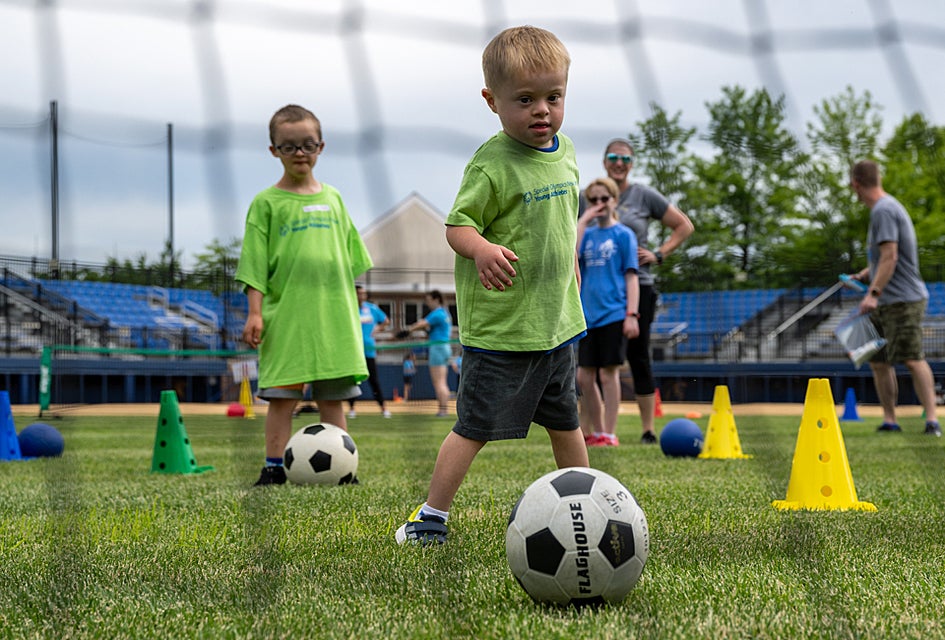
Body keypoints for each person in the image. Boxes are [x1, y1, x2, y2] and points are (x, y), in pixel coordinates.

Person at [395, 25, 589, 545]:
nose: (542, 110)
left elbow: (564, 220)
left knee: (566, 423)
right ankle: (431, 517)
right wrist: (481, 250)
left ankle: (588, 506)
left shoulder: (566, 151)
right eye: (525, 100)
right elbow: (457, 226)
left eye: (554, 96)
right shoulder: (491, 163)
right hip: (503, 331)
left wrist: (569, 260)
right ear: (492, 101)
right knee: (474, 427)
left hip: (557, 326)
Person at [236, 104, 373, 486]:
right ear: (273, 151)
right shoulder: (266, 204)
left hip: (334, 319)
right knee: (282, 398)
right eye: (289, 146)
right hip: (288, 319)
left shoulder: (334, 199)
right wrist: (255, 313)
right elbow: (254, 265)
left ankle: (344, 470)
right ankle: (273, 467)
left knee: (333, 398)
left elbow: (352, 261)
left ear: (321, 147)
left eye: (307, 145)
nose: (299, 153)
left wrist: (353, 307)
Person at [600, 137, 694, 443]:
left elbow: (684, 225)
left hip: (639, 286)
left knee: (638, 356)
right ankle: (600, 430)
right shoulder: (593, 196)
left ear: (632, 164)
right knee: (597, 359)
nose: (619, 163)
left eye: (626, 159)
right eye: (614, 157)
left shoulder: (643, 195)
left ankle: (647, 430)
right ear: (604, 161)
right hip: (600, 290)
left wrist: (659, 254)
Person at [847, 160, 939, 436]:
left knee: (912, 358)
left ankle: (932, 420)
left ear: (856, 185)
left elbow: (891, 256)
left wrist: (872, 294)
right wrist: (863, 275)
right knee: (877, 361)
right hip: (885, 299)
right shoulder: (886, 208)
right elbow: (882, 260)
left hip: (902, 300)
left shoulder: (883, 211)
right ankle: (890, 420)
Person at [576, 177, 640, 447]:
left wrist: (631, 314)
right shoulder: (587, 233)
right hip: (587, 315)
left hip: (614, 313)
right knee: (584, 376)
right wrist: (582, 220)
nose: (600, 204)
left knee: (608, 374)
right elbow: (572, 254)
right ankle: (598, 430)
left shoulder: (624, 234)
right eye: (594, 200)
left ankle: (610, 433)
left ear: (615, 200)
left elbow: (631, 276)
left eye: (605, 199)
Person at [402, 290, 453, 417]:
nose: (427, 303)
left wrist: (407, 330)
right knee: (443, 381)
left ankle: (442, 410)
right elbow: (429, 328)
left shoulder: (437, 313)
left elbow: (421, 324)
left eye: (429, 300)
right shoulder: (445, 313)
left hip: (438, 348)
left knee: (439, 382)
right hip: (445, 347)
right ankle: (444, 409)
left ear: (436, 300)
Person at [348, 285, 392, 419]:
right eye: (359, 293)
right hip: (354, 350)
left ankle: (384, 408)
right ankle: (351, 409)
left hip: (369, 350)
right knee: (353, 381)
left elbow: (386, 321)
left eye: (363, 293)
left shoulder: (372, 308)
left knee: (374, 380)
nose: (362, 295)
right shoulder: (349, 307)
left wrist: (377, 329)